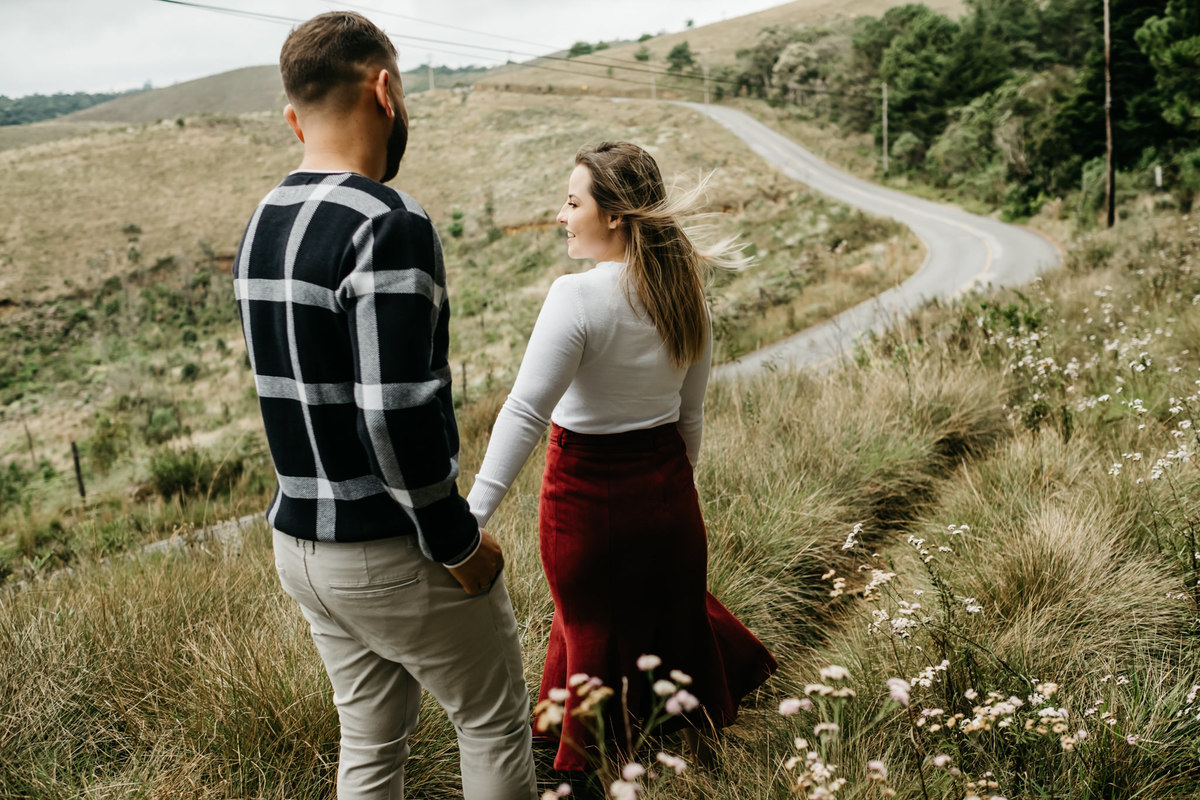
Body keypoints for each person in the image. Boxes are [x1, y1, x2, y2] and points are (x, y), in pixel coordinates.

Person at [232, 12, 536, 800]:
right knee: (494, 722)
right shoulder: (388, 221)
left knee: (370, 745)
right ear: (386, 90)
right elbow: (393, 415)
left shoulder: (261, 222)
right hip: (390, 548)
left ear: (294, 117)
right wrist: (456, 541)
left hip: (300, 545)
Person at [466, 141, 777, 775]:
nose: (561, 214)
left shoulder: (575, 297)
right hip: (668, 501)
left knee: (587, 629)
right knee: (663, 616)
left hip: (587, 501)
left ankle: (576, 771)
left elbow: (525, 412)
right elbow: (689, 419)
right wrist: (667, 495)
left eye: (573, 201)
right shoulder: (687, 295)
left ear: (614, 216)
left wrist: (472, 515)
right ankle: (675, 757)